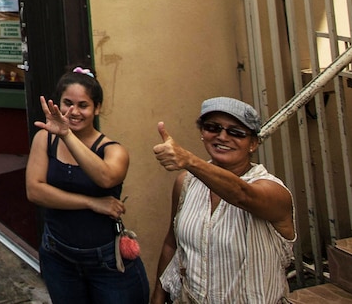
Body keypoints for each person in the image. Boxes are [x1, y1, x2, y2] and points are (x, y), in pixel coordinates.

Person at [151, 97, 295, 304]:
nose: (223, 137)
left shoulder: (273, 191)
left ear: (253, 143)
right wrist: (158, 294)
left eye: (236, 132)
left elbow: (242, 195)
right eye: (212, 128)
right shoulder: (186, 183)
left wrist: (189, 160)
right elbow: (172, 243)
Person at [25, 67, 150, 303]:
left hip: (107, 261)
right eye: (67, 103)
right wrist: (92, 203)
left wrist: (67, 135)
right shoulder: (45, 138)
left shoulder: (113, 150)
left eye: (83, 105)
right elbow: (35, 191)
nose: (73, 112)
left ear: (97, 108)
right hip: (57, 255)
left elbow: (105, 178)